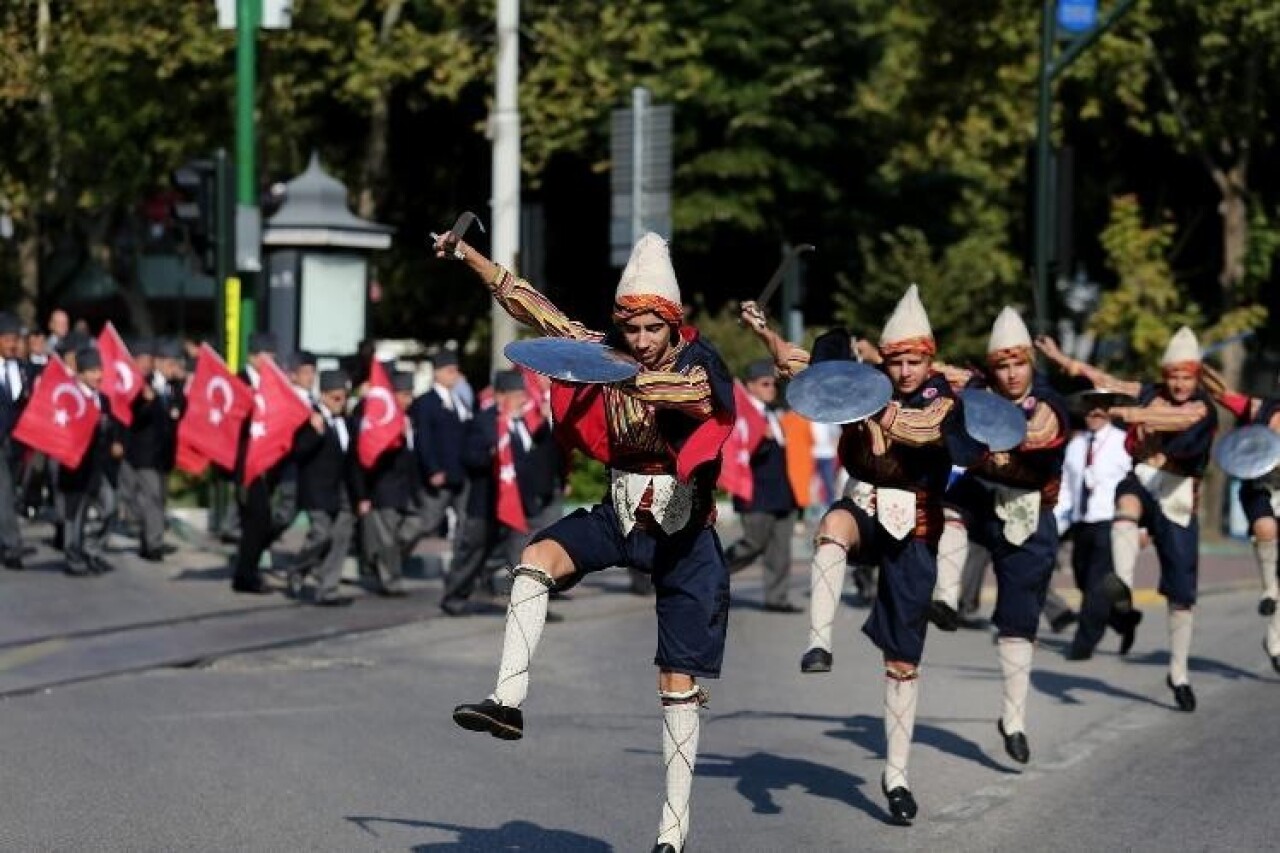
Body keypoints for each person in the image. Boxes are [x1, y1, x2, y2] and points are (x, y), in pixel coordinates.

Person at [436, 229, 734, 853]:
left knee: (676, 688)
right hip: (620, 513)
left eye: (655, 330)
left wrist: (624, 376)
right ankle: (506, 701)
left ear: (672, 324)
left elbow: (697, 399)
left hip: (685, 531)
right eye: (633, 331)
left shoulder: (699, 363)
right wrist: (468, 257)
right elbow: (533, 307)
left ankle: (672, 835)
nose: (644, 342)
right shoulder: (607, 349)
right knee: (534, 558)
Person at [743, 285, 979, 824]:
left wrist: (873, 404)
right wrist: (767, 331)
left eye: (913, 360)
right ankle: (818, 642)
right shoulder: (867, 383)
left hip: (917, 523)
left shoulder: (943, 399)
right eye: (895, 361)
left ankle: (896, 775)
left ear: (929, 357)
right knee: (832, 526)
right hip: (865, 505)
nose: (904, 370)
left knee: (902, 663)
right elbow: (803, 366)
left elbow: (921, 430)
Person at [1037, 328, 1217, 712]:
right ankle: (1121, 584)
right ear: (1165, 375)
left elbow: (1175, 420)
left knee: (1182, 597)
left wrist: (1119, 410)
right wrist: (1065, 361)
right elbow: (1107, 381)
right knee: (1126, 505)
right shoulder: (1150, 390)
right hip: (1144, 480)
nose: (1180, 384)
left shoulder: (1202, 407)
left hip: (1178, 494)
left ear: (1197, 377)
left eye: (1187, 377)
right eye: (1174, 377)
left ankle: (1179, 672)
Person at [933, 308, 1069, 764]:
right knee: (949, 501)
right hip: (980, 497)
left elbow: (1033, 437)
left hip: (1029, 511)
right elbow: (930, 372)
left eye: (1018, 365)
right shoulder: (977, 388)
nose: (1011, 375)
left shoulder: (1050, 405)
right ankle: (946, 599)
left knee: (1018, 622)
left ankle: (1013, 720)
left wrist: (977, 430)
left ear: (1031, 363)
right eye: (1002, 366)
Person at [441, 369, 563, 616]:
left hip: (519, 504)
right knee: (473, 552)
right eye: (515, 395)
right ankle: (454, 596)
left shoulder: (525, 423)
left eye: (522, 394)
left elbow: (535, 461)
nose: (521, 399)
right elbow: (469, 457)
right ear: (499, 396)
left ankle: (531, 606)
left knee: (524, 557)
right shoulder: (483, 421)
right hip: (486, 502)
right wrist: (492, 454)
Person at [1198, 364, 1280, 671]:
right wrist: (1199, 368)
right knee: (1265, 526)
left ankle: (1275, 642)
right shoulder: (1260, 409)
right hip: (1260, 486)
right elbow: (1222, 393)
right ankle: (1269, 588)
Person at [1055, 392, 1140, 660]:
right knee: (1083, 580)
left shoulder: (1122, 442)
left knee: (1096, 584)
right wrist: (1058, 522)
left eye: (1100, 410)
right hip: (1082, 523)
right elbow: (1067, 487)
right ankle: (1123, 620)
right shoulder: (1077, 445)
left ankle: (1083, 644)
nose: (1093, 415)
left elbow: (1136, 487)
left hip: (1110, 522)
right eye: (1089, 410)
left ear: (1110, 411)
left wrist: (1141, 527)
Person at [723, 359, 802, 612]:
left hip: (781, 492)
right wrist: (761, 439)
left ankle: (777, 598)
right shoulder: (743, 414)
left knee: (780, 550)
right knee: (753, 543)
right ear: (750, 386)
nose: (771, 388)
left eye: (773, 384)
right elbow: (738, 451)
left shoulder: (773, 414)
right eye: (765, 384)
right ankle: (712, 573)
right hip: (755, 493)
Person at [287, 369, 357, 606]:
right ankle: (298, 567)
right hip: (317, 489)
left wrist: (361, 495)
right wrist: (314, 434)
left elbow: (353, 460)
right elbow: (297, 452)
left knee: (340, 538)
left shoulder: (346, 421)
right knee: (321, 534)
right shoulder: (311, 418)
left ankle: (328, 589)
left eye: (344, 397)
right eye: (336, 398)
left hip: (343, 490)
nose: (341, 403)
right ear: (324, 396)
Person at [353, 371, 423, 597]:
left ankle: (380, 559)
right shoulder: (382, 419)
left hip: (407, 490)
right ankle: (390, 581)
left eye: (410, 395)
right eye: (404, 395)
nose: (408, 400)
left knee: (415, 527)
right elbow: (369, 455)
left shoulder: (409, 418)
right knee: (387, 536)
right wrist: (395, 437)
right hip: (386, 489)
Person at [60, 346, 125, 577]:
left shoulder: (104, 400)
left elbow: (114, 427)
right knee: (75, 515)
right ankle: (74, 556)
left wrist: (116, 442)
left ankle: (93, 550)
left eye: (100, 370)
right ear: (80, 374)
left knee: (110, 508)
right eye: (93, 371)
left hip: (99, 467)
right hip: (75, 467)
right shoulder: (69, 397)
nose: (98, 376)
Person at [123, 338, 186, 561]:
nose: (173, 369)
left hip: (165, 453)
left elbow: (180, 412)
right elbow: (134, 417)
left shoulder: (175, 387)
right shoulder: (143, 384)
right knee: (152, 497)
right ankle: (154, 544)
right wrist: (146, 401)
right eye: (169, 364)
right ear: (158, 362)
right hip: (145, 453)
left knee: (159, 498)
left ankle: (147, 538)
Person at [231, 332, 285, 594]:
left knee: (261, 520)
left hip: (269, 462)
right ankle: (246, 575)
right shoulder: (239, 383)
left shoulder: (274, 383)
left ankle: (247, 568)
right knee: (257, 518)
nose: (272, 361)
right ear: (253, 357)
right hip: (247, 462)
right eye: (267, 356)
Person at [412, 349, 471, 540]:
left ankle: (459, 568)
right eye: (449, 371)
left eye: (456, 370)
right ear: (437, 373)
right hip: (440, 474)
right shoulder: (426, 402)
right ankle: (392, 556)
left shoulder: (459, 400)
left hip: (461, 472)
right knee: (427, 522)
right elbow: (424, 438)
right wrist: (433, 469)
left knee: (465, 522)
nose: (454, 375)